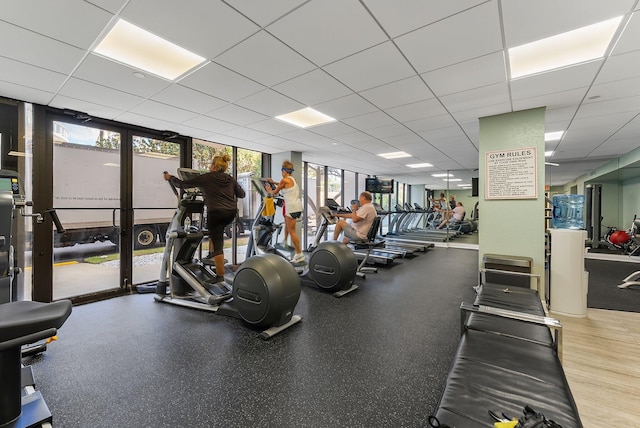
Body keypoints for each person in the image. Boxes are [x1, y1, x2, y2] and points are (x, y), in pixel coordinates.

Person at [163, 154, 245, 282]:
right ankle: (212, 255)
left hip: (216, 212)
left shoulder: (207, 177)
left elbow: (183, 184)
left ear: (213, 166)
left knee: (218, 242)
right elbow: (242, 194)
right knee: (215, 233)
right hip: (230, 213)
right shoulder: (230, 178)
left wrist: (170, 178)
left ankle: (219, 276)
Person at [265, 160, 305, 264]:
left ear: (283, 170)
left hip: (291, 207)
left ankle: (299, 253)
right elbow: (282, 184)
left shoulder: (284, 180)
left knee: (292, 231)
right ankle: (285, 241)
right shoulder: (292, 179)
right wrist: (273, 182)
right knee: (288, 226)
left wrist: (269, 189)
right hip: (297, 206)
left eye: (281, 171)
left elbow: (274, 192)